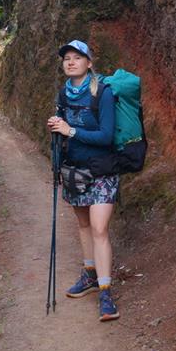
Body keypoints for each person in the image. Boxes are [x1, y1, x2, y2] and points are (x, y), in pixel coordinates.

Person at [47, 39, 120, 322]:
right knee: (83, 224)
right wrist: (56, 128)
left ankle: (106, 294)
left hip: (102, 169)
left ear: (89, 63)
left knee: (100, 228)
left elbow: (107, 136)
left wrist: (70, 131)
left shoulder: (103, 92)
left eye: (77, 57)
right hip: (74, 170)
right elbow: (64, 131)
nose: (70, 61)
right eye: (66, 57)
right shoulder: (63, 95)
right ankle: (90, 275)